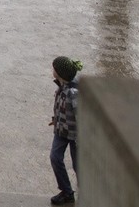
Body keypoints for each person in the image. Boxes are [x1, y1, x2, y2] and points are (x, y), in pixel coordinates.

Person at [49, 55, 82, 205]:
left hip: (76, 135)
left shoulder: (73, 93)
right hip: (61, 130)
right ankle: (67, 191)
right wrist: (55, 119)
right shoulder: (61, 86)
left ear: (60, 73)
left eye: (54, 68)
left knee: (78, 165)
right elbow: (60, 106)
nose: (52, 70)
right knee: (55, 158)